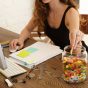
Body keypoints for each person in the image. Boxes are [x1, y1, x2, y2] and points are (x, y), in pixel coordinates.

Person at [10, 0, 87, 52]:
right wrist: (20, 40)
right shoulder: (42, 11)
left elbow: (74, 33)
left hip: (77, 53)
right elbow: (27, 29)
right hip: (58, 53)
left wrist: (76, 39)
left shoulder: (71, 12)